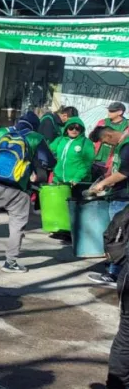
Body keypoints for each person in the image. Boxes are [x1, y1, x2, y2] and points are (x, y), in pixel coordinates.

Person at [0, 111, 55, 273]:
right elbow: (49, 161)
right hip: (18, 189)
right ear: (35, 126)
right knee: (17, 226)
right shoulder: (35, 138)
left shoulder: (1, 132)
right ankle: (10, 263)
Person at [87, 126, 129, 286]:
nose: (106, 145)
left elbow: (125, 172)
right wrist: (106, 179)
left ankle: (114, 274)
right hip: (120, 194)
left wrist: (103, 183)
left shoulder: (126, 146)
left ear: (109, 135)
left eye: (105, 141)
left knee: (118, 235)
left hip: (123, 197)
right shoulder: (122, 145)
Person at [49, 116, 92, 189]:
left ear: (81, 130)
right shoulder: (59, 140)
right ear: (66, 129)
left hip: (77, 182)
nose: (74, 130)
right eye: (71, 128)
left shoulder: (86, 143)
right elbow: (48, 152)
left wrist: (77, 178)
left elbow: (87, 164)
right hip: (58, 181)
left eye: (77, 128)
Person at [95, 102, 129, 173]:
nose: (109, 112)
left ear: (120, 112)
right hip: (95, 160)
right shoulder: (102, 122)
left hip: (112, 164)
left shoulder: (127, 125)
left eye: (112, 111)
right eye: (109, 110)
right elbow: (94, 139)